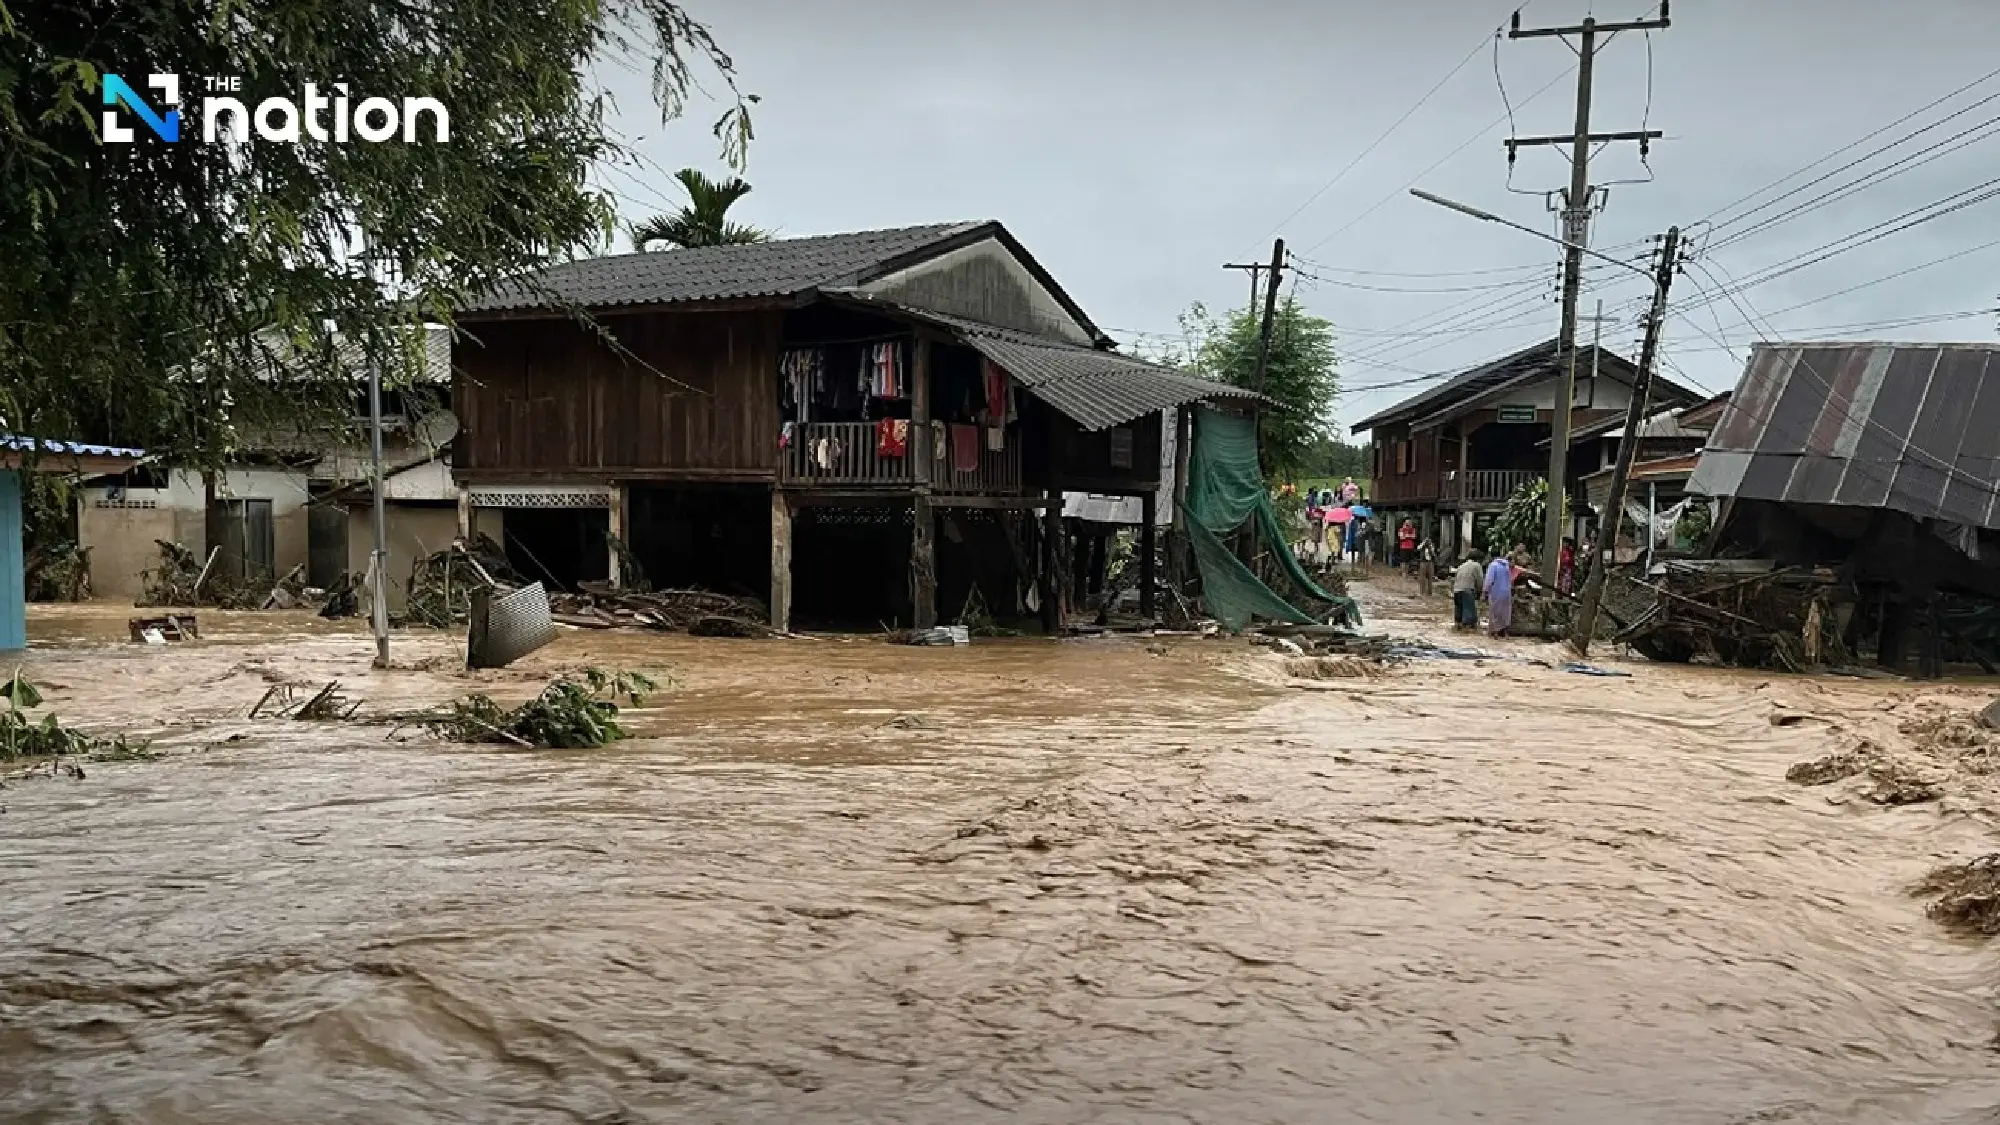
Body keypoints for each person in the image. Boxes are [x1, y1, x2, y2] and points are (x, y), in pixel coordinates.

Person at [1485, 548, 1516, 636]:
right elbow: (1511, 579)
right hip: (1507, 592)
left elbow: (1489, 580)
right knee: (1506, 612)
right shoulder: (1506, 565)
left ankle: (1495, 633)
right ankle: (1505, 632)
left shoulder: (1493, 565)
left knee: (1495, 612)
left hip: (1496, 592)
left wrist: (1485, 591)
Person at [1452, 551, 1484, 630]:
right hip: (1467, 590)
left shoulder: (1461, 566)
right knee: (1469, 619)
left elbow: (1455, 579)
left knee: (1458, 616)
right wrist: (1480, 592)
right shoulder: (1477, 565)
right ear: (1478, 559)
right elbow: (1480, 581)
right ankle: (1467, 628)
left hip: (1456, 591)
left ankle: (1458, 626)